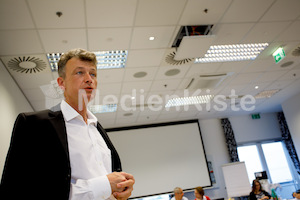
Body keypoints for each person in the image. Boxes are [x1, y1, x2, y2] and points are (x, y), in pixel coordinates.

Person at [0, 48, 135, 200]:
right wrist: (104, 185)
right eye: (79, 72)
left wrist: (120, 191)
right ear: (61, 82)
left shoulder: (98, 130)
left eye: (93, 73)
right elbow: (18, 188)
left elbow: (109, 183)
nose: (89, 79)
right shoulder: (34, 125)